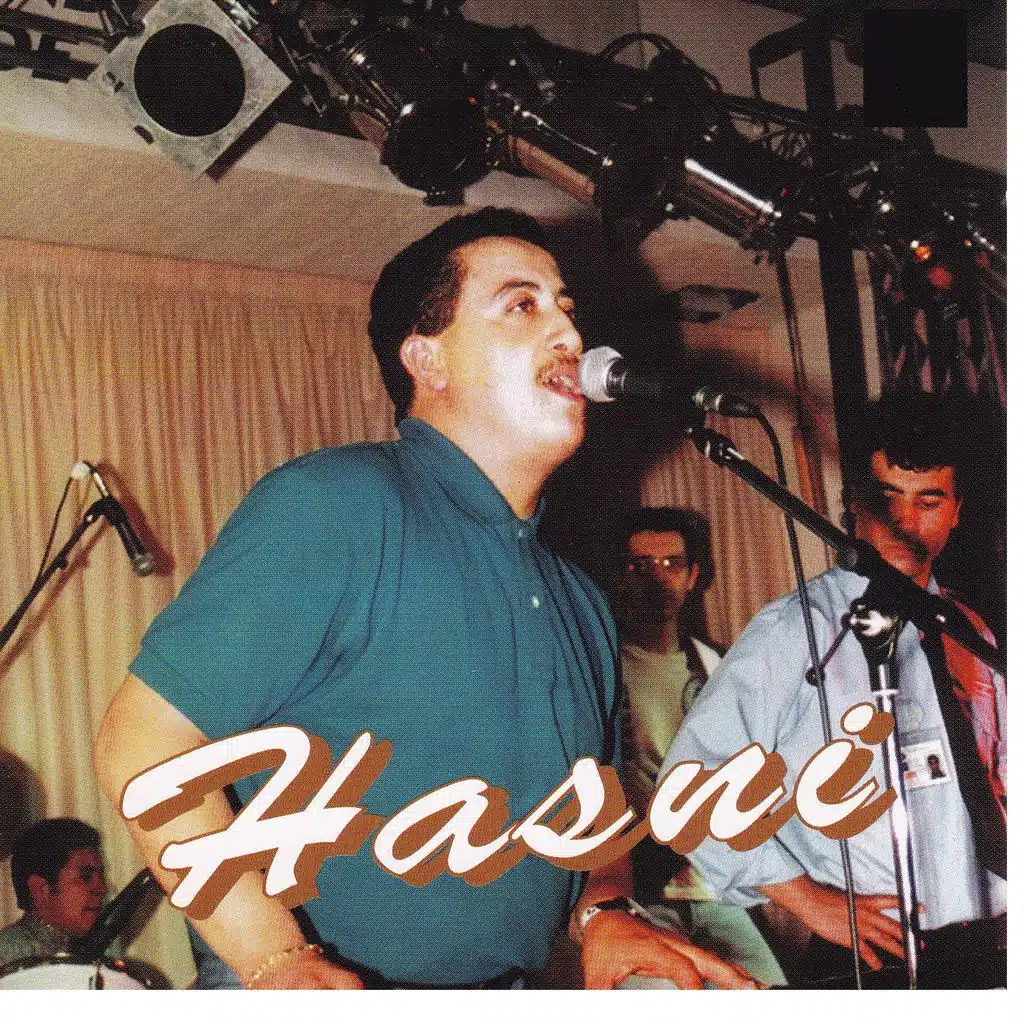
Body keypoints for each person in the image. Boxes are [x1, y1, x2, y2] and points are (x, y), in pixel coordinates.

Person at [94, 208, 758, 991]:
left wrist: (603, 911)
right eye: (523, 305)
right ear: (427, 360)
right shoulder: (336, 506)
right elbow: (143, 746)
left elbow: (599, 816)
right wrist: (276, 959)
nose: (571, 335)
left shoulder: (581, 598)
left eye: (567, 308)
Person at [663, 394, 1006, 988]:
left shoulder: (969, 632)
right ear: (853, 507)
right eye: (887, 499)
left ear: (956, 512)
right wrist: (806, 899)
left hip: (988, 945)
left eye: (929, 501)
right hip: (873, 956)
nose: (906, 522)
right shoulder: (798, 629)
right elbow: (688, 787)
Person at [616, 507, 785, 987]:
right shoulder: (600, 665)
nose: (656, 578)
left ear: (693, 577)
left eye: (671, 564)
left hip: (717, 893)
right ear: (621, 574)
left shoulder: (715, 668)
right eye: (640, 565)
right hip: (639, 898)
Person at [0, 818, 109, 970]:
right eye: (85, 876)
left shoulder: (92, 949)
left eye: (101, 877)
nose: (102, 889)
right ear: (41, 889)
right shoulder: (7, 954)